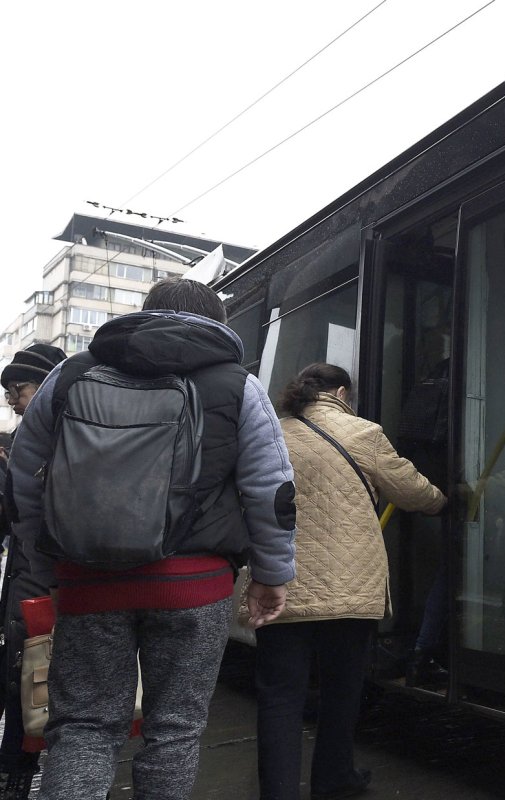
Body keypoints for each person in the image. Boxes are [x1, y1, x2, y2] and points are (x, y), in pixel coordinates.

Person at [7, 279, 296, 800]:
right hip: (196, 585)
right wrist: (272, 575)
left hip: (88, 580)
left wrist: (47, 568)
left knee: (84, 727)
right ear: (220, 322)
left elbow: (25, 478)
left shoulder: (72, 373)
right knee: (175, 731)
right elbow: (270, 489)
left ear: (145, 314)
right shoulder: (238, 383)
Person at [256, 363, 446, 800]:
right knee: (342, 690)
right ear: (341, 393)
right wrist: (445, 500)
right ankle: (333, 778)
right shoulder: (363, 432)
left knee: (280, 697)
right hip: (349, 587)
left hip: (281, 583)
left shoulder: (270, 432)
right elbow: (411, 490)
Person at [0, 343, 66, 798]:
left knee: (26, 679)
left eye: (17, 388)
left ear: (44, 384)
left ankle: (17, 772)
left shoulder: (40, 437)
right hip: (39, 578)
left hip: (38, 582)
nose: (10, 399)